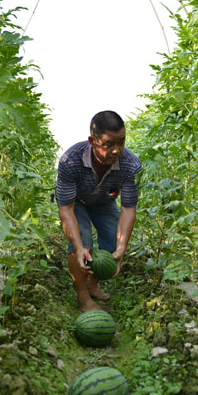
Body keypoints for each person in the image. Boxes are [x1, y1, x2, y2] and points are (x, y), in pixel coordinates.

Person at [55, 110, 142, 312]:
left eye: (121, 142)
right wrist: (78, 248)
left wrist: (121, 248)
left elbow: (128, 209)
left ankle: (93, 283)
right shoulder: (70, 161)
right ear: (92, 141)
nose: (116, 150)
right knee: (83, 242)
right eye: (108, 145)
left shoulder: (131, 165)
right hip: (76, 202)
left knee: (114, 241)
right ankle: (83, 296)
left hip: (103, 200)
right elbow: (66, 209)